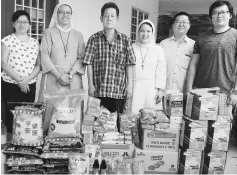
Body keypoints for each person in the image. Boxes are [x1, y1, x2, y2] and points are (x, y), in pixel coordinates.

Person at [82, 2, 136, 116]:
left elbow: (129, 64)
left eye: (112, 16)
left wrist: (129, 86)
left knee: (115, 125)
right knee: (97, 124)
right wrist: (90, 85)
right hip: (98, 91)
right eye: (106, 15)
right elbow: (89, 63)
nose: (109, 19)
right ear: (101, 18)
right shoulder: (94, 39)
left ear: (117, 18)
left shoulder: (125, 40)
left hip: (117, 91)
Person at [39, 3, 85, 131]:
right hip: (54, 76)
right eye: (61, 12)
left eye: (68, 12)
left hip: (73, 77)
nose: (65, 15)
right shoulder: (48, 33)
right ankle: (49, 136)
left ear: (71, 15)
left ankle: (73, 136)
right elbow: (44, 54)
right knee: (52, 107)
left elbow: (81, 57)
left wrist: (70, 74)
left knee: (73, 107)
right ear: (56, 15)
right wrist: (59, 75)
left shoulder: (78, 35)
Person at [186, 0, 237, 108]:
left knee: (222, 125)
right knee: (198, 125)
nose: (219, 15)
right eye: (215, 13)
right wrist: (189, 89)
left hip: (225, 93)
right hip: (200, 91)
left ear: (230, 15)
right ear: (211, 17)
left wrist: (235, 92)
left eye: (223, 12)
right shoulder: (202, 37)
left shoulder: (235, 35)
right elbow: (193, 65)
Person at [1, 10, 41, 133]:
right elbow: (3, 64)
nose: (22, 24)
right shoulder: (6, 41)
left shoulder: (35, 43)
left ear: (29, 25)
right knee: (12, 117)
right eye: (19, 21)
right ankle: (11, 145)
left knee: (27, 117)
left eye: (25, 22)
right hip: (11, 85)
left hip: (30, 85)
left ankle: (25, 144)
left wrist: (27, 80)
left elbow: (39, 65)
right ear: (13, 24)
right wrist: (20, 81)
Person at [131, 19, 166, 114]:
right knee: (134, 115)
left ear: (152, 33)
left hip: (152, 88)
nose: (145, 33)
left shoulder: (158, 49)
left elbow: (161, 70)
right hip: (135, 87)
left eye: (148, 31)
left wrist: (160, 90)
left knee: (150, 118)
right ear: (138, 32)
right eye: (142, 30)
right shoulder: (132, 47)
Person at [160, 12, 195, 92]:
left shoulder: (194, 45)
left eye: (184, 22)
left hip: (184, 92)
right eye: (178, 22)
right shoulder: (163, 44)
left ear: (189, 26)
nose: (181, 24)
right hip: (164, 91)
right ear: (173, 25)